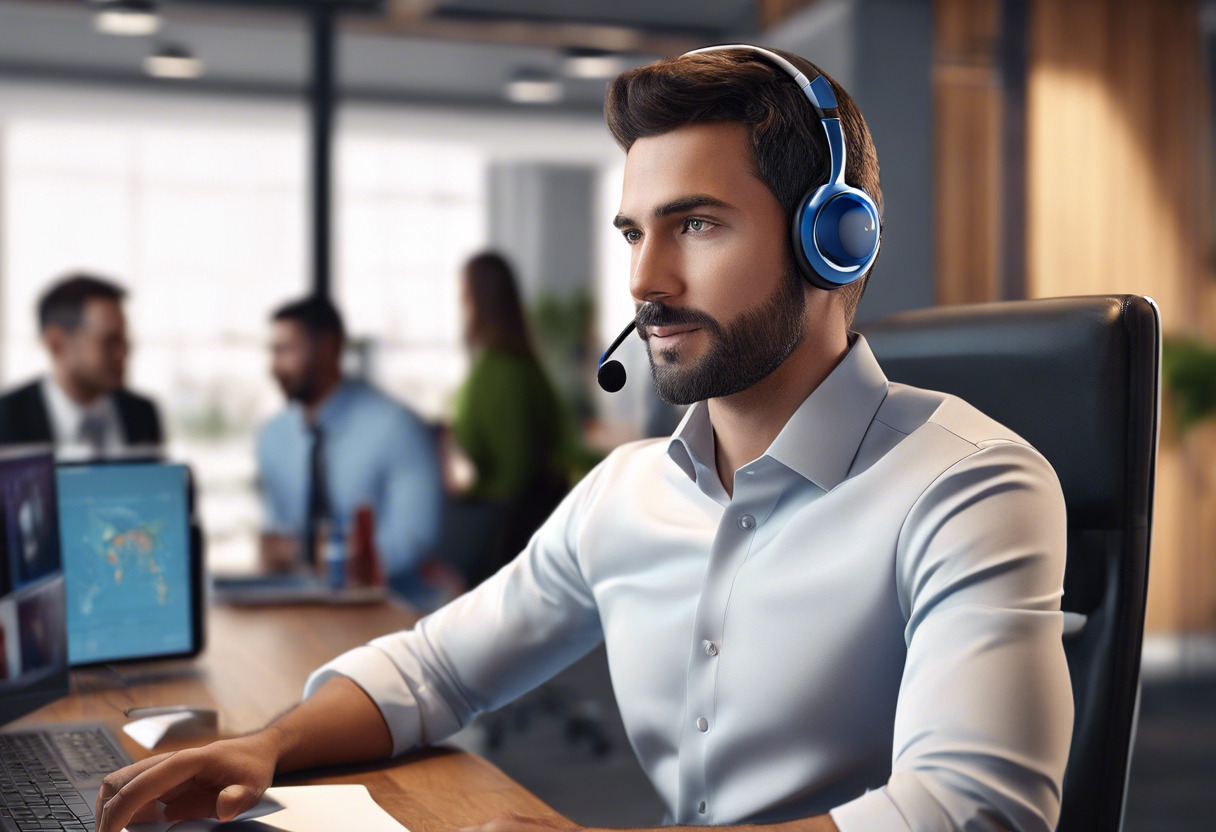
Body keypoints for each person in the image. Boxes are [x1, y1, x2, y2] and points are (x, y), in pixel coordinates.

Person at [93, 46, 1072, 832]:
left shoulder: (968, 485)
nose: (644, 279)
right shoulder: (627, 490)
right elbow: (436, 669)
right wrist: (270, 743)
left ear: (834, 240)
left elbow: (968, 809)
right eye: (632, 233)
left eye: (694, 225)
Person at [255, 296, 442, 587]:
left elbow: (415, 537)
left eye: (286, 350)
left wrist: (336, 563)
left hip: (388, 603)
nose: (274, 367)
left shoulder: (398, 427)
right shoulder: (272, 436)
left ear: (328, 347)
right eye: (273, 351)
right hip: (299, 601)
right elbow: (277, 529)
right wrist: (277, 551)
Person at [448, 251, 569, 584]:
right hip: (523, 526)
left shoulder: (499, 372)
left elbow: (515, 469)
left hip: (505, 536)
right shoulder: (523, 366)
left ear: (477, 298)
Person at [0, 274, 163, 458]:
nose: (123, 352)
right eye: (110, 341)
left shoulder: (142, 413)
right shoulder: (6, 417)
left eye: (124, 340)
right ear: (56, 343)